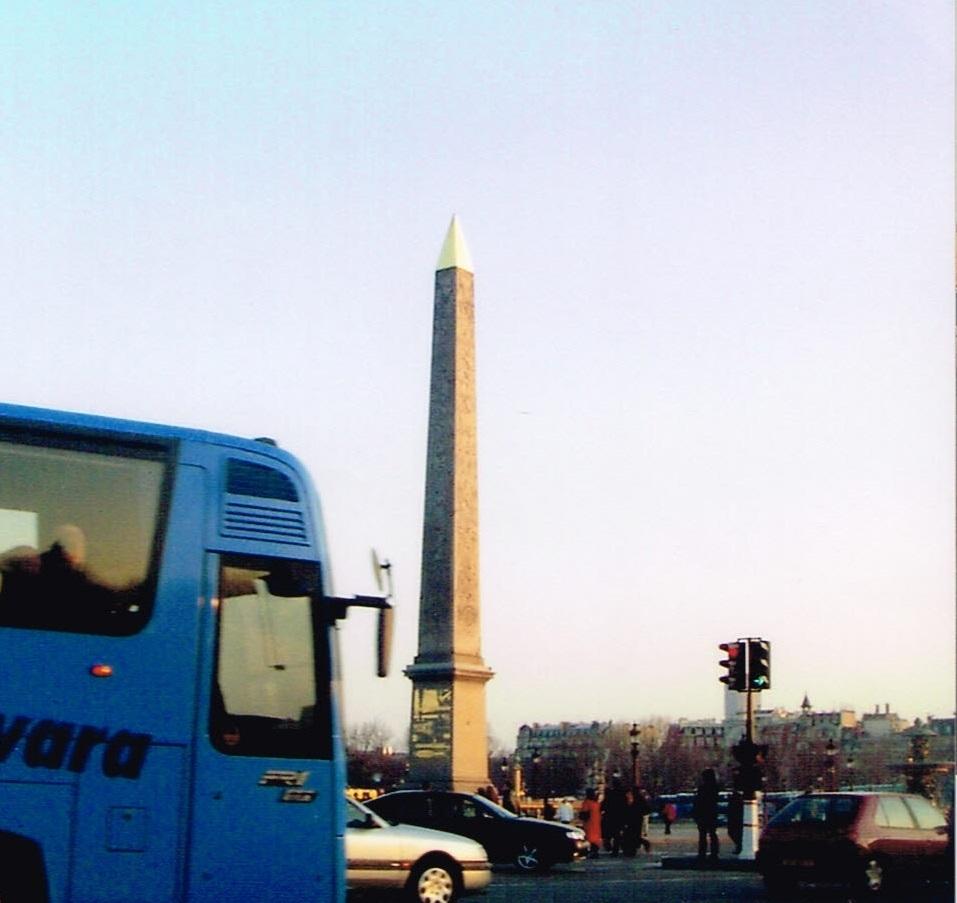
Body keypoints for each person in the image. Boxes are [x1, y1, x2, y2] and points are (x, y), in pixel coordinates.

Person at [693, 768, 721, 863]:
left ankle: (702, 853)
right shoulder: (715, 788)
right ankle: (714, 853)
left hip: (703, 813)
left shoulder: (702, 788)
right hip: (712, 813)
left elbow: (698, 801)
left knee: (703, 834)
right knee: (712, 834)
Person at [600, 778, 627, 856]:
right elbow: (625, 806)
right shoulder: (622, 794)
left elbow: (603, 805)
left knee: (608, 833)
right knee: (617, 835)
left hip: (609, 816)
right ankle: (615, 850)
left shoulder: (610, 794)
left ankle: (609, 846)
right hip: (619, 817)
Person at [580, 788, 602, 858]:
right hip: (596, 823)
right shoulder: (596, 803)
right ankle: (594, 852)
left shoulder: (587, 803)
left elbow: (584, 814)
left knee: (589, 838)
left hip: (589, 824)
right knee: (595, 838)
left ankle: (590, 852)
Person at [727, 790, 744, 854]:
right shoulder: (739, 800)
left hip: (735, 818)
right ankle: (739, 846)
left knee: (733, 832)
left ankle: (739, 846)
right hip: (735, 818)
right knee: (734, 833)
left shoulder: (734, 800)